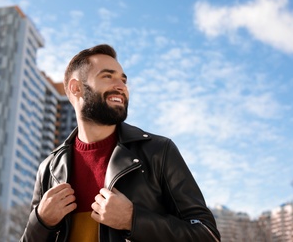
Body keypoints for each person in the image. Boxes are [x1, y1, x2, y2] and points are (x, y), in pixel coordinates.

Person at [20, 44, 220, 242]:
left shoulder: (158, 151)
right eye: (108, 76)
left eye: (123, 80)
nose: (121, 86)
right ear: (76, 88)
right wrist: (40, 221)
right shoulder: (49, 169)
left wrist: (133, 220)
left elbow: (207, 235)